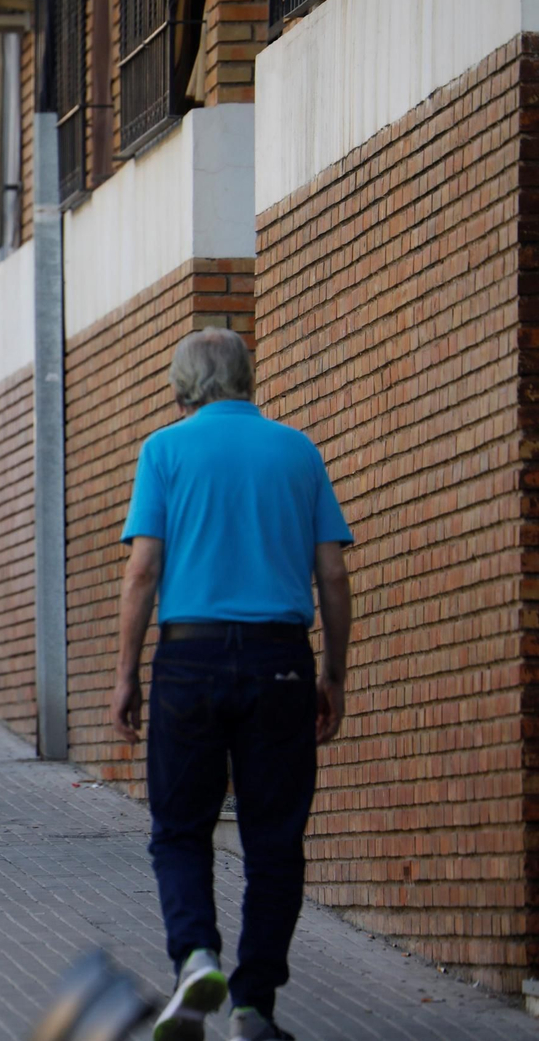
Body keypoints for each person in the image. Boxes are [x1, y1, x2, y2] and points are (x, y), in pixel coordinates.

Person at [111, 328, 353, 1041]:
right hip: (282, 661)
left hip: (190, 659)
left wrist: (127, 674)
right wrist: (333, 673)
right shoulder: (297, 450)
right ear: (247, 375)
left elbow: (143, 571)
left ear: (180, 383)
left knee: (180, 829)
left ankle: (195, 957)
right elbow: (333, 575)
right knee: (274, 839)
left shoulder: (164, 450)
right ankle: (253, 1007)